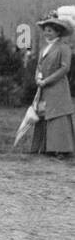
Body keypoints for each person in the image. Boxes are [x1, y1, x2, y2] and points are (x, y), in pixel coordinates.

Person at [29, 16, 74, 158]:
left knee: (58, 116)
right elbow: (39, 66)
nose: (46, 33)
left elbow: (64, 68)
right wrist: (37, 77)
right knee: (43, 114)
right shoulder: (44, 48)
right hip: (43, 88)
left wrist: (47, 80)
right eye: (45, 30)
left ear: (58, 32)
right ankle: (43, 147)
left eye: (50, 31)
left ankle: (61, 149)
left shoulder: (64, 48)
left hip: (57, 87)